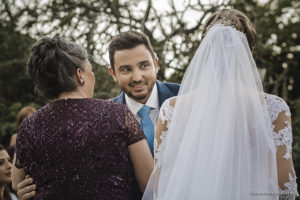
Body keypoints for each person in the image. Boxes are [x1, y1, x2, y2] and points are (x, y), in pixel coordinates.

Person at [143, 9, 297, 200]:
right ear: (249, 51)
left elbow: (161, 186)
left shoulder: (172, 109)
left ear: (205, 51)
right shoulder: (274, 108)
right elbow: (285, 188)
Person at [11, 36, 153, 200]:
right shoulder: (118, 114)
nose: (92, 75)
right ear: (80, 75)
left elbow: (17, 183)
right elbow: (149, 183)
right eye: (90, 69)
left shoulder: (28, 127)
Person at [108, 30, 180, 155]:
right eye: (126, 69)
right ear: (113, 73)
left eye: (144, 66)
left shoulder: (183, 96)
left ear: (155, 65)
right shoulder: (107, 117)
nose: (137, 77)